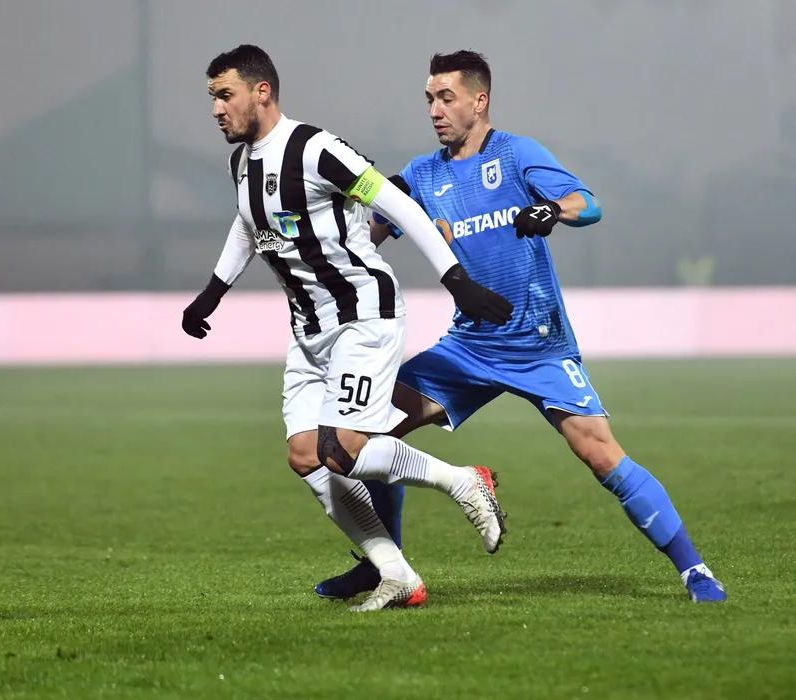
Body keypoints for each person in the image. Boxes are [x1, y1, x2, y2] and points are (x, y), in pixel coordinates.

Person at [315, 50, 726, 604]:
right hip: (467, 347)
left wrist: (553, 211)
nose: (435, 110)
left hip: (539, 345)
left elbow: (589, 204)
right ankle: (382, 566)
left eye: (447, 98)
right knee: (363, 433)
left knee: (601, 455)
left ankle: (695, 571)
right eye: (430, 99)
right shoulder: (421, 174)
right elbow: (368, 233)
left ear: (479, 100)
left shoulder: (515, 154)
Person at [183, 44, 515, 612]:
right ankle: (396, 574)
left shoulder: (315, 150)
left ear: (261, 92)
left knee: (342, 450)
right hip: (309, 332)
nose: (216, 108)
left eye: (225, 95)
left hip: (364, 316)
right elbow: (248, 223)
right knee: (305, 455)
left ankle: (464, 482)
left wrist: (456, 280)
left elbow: (400, 207)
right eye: (212, 97)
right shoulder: (242, 163)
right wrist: (212, 293)